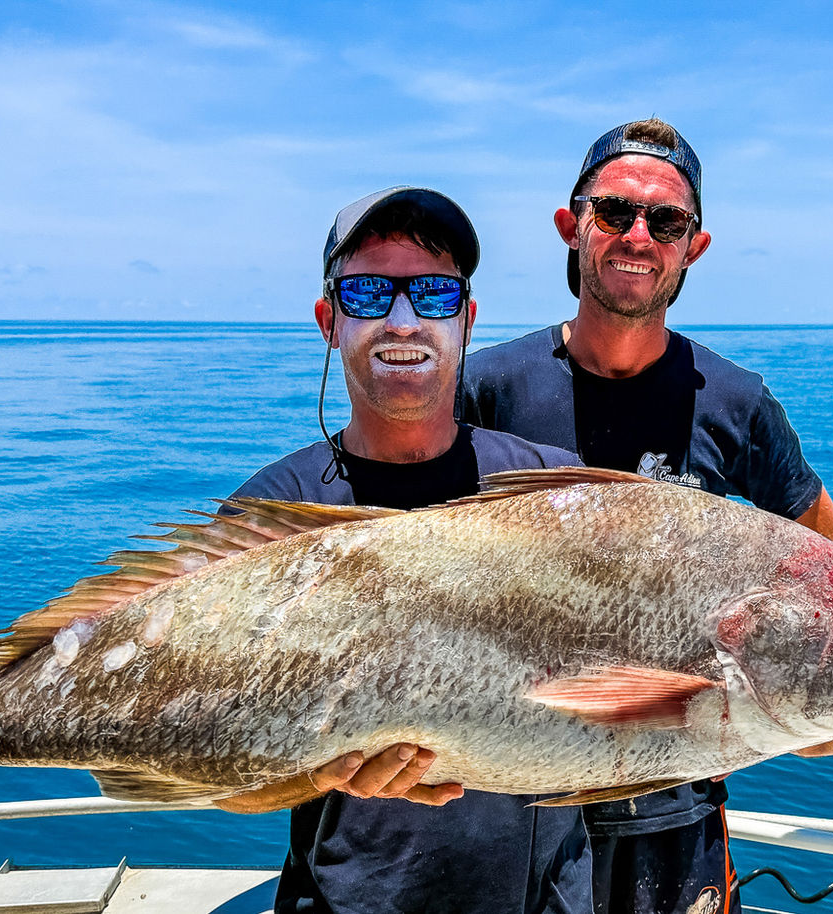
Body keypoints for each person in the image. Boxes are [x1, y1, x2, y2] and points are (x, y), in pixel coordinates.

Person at [463, 119, 833, 914]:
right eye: (614, 212)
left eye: (666, 221)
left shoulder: (735, 400)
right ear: (572, 225)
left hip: (672, 809)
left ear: (693, 247)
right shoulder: (486, 388)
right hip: (510, 791)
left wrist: (832, 701)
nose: (638, 236)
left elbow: (832, 571)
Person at [216, 186, 592, 914]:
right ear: (329, 321)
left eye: (432, 293)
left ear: (466, 319)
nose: (403, 320)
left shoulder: (554, 492)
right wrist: (318, 774)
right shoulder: (266, 521)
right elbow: (221, 774)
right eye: (367, 293)